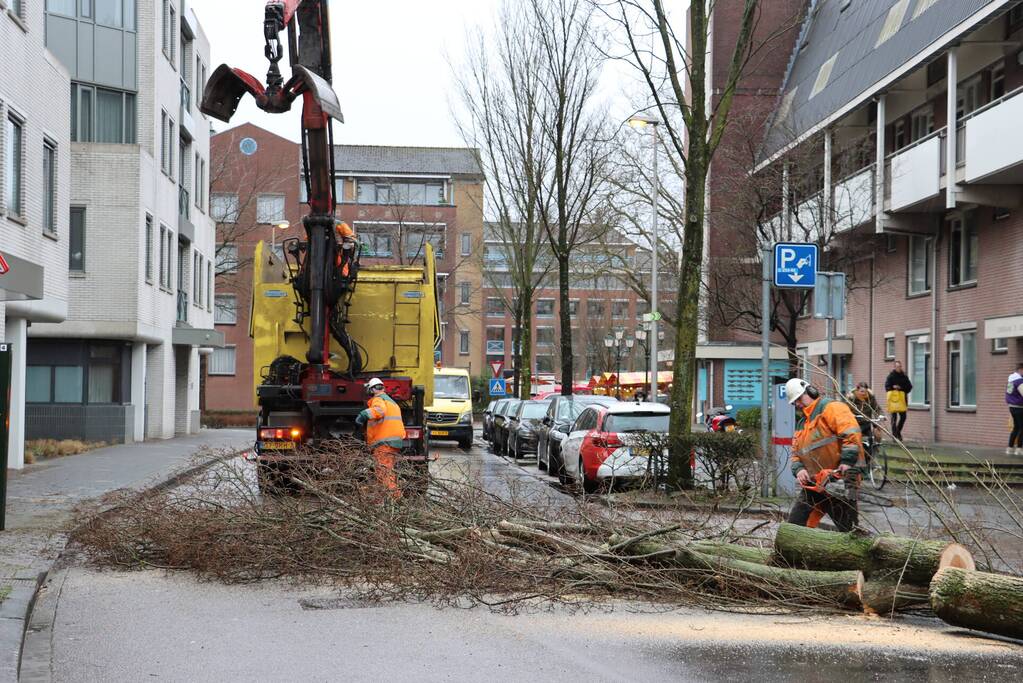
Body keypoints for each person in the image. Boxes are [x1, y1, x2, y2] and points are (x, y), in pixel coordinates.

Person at [785, 377, 863, 532]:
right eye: (794, 402)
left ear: (810, 392)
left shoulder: (831, 408)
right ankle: (792, 555)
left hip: (840, 479)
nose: (798, 404)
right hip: (815, 483)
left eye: (799, 398)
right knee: (794, 526)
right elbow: (795, 453)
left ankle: (859, 554)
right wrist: (799, 469)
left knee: (849, 530)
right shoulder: (802, 424)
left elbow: (851, 433)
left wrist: (847, 462)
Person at [355, 377, 406, 499]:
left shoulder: (378, 399)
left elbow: (379, 411)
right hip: (394, 441)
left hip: (384, 441)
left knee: (383, 472)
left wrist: (363, 415)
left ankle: (395, 499)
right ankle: (385, 499)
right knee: (386, 471)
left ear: (371, 390)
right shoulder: (392, 402)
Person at [884, 360, 913, 441]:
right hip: (893, 400)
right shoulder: (891, 376)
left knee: (903, 417)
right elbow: (886, 387)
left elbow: (909, 387)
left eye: (900, 366)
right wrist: (893, 387)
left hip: (902, 400)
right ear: (894, 367)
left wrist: (901, 388)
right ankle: (894, 436)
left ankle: (897, 431)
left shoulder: (904, 376)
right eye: (897, 366)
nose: (899, 368)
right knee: (894, 418)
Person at [1007, 362, 1023, 456]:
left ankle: (1009, 448)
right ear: (1020, 370)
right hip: (1020, 408)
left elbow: (1010, 393)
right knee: (1022, 428)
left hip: (1012, 407)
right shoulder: (1019, 381)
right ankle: (1019, 449)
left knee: (1016, 427)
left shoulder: (1011, 380)